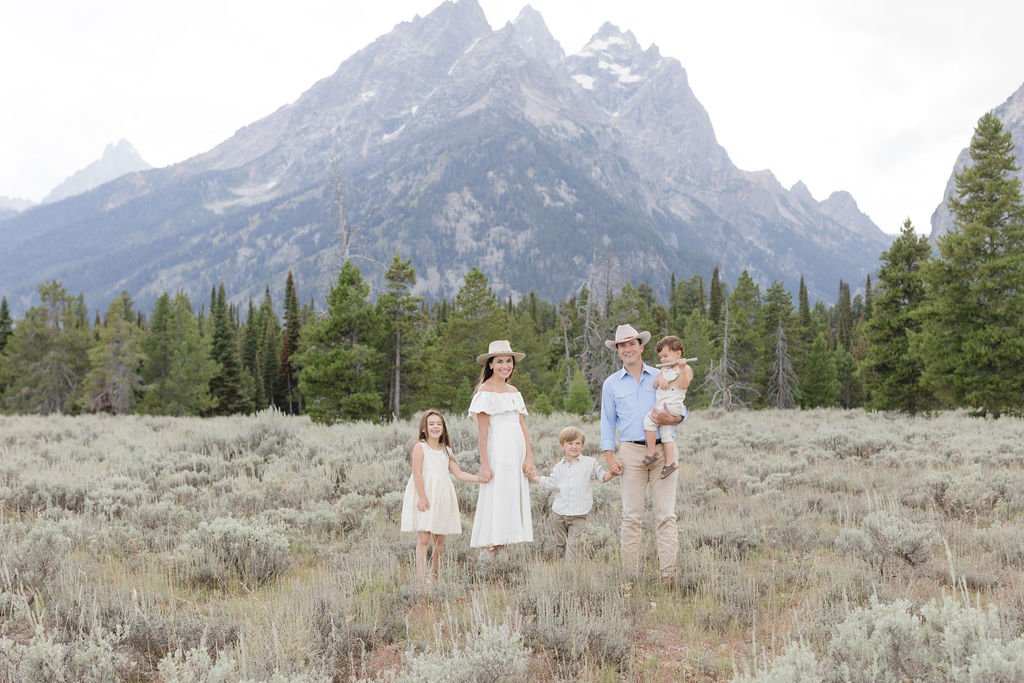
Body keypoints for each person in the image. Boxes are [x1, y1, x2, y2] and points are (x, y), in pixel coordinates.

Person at [600, 323, 687, 583]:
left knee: (666, 516)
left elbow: (681, 405)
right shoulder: (611, 384)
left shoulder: (662, 373)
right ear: (617, 350)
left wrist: (672, 419)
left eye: (631, 343)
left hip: (663, 450)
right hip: (630, 454)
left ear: (641, 346)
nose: (627, 349)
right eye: (622, 345)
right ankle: (629, 577)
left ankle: (668, 576)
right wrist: (609, 455)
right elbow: (607, 421)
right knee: (631, 518)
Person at [468, 340, 535, 559]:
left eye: (508, 361)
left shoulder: (514, 391)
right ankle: (489, 551)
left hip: (516, 454)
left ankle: (504, 548)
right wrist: (485, 464)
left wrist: (529, 457)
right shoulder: (484, 392)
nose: (505, 366)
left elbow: (522, 426)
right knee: (495, 497)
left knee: (510, 498)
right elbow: (483, 431)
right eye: (500, 361)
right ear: (490, 365)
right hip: (498, 453)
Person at [400, 409, 482, 583]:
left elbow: (459, 474)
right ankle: (420, 579)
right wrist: (422, 497)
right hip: (425, 494)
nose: (435, 427)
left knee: (440, 541)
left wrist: (480, 478)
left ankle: (434, 576)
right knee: (423, 538)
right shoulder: (420, 447)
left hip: (442, 496)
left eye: (439, 424)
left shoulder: (447, 451)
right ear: (424, 429)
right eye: (431, 424)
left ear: (443, 428)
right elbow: (417, 473)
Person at [528, 425, 617, 561]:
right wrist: (535, 478)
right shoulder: (559, 467)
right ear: (562, 446)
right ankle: (560, 571)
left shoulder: (590, 463)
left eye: (578, 443)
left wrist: (612, 473)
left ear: (582, 446)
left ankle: (570, 573)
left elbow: (602, 477)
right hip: (559, 513)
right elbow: (551, 482)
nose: (574, 446)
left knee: (573, 545)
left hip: (579, 514)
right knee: (560, 544)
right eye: (570, 443)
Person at [640, 335, 693, 479]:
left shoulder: (685, 368)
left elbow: (684, 384)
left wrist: (681, 368)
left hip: (671, 405)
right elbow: (655, 384)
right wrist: (660, 378)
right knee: (666, 434)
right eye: (661, 357)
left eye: (665, 356)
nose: (662, 360)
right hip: (663, 404)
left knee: (648, 421)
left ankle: (651, 452)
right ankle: (670, 463)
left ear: (678, 353)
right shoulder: (664, 370)